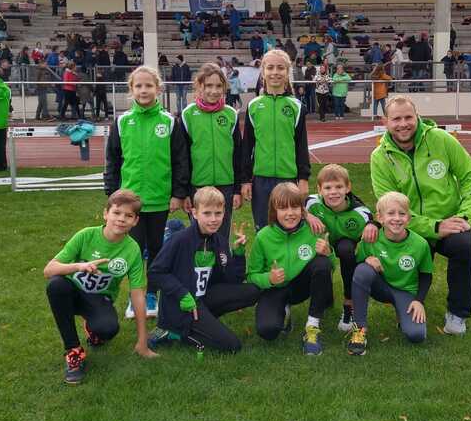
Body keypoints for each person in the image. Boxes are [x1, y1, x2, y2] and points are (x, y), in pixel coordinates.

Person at [370, 96, 471, 335]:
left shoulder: (441, 139)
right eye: (396, 119)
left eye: (408, 117)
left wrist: (465, 217)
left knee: (464, 244)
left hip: (449, 220)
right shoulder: (380, 157)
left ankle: (457, 313)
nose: (403, 124)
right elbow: (387, 206)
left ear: (417, 116)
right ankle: (406, 304)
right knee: (403, 254)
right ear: (385, 122)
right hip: (408, 227)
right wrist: (433, 227)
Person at [44, 189, 158, 384]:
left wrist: (142, 341)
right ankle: (74, 352)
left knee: (108, 329)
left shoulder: (132, 249)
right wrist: (79, 266)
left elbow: (138, 294)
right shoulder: (86, 235)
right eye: (116, 213)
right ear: (106, 214)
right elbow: (49, 269)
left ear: (135, 221)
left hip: (99, 299)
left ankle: (93, 328)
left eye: (128, 215)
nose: (121, 219)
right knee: (56, 286)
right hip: (72, 293)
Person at [104, 66, 189, 318]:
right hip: (130, 204)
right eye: (138, 86)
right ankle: (136, 294)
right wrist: (112, 193)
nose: (144, 90)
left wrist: (178, 193)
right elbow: (113, 159)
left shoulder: (169, 123)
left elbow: (180, 160)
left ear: (158, 89)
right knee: (132, 250)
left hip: (160, 200)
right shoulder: (122, 122)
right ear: (131, 90)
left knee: (155, 250)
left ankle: (152, 293)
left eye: (148, 85)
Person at [147, 187, 260, 353]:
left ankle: (203, 322)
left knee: (253, 291)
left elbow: (232, 281)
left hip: (202, 299)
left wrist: (238, 254)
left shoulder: (219, 242)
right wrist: (181, 294)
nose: (213, 219)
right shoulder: (180, 240)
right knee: (232, 346)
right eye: (207, 213)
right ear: (194, 213)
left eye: (218, 213)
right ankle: (173, 331)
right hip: (181, 306)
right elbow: (155, 273)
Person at [246, 182, 334, 355]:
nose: (290, 213)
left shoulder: (313, 229)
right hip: (275, 288)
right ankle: (283, 310)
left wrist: (328, 253)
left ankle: (312, 327)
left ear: (302, 210)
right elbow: (251, 275)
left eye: (295, 207)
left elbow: (331, 266)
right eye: (283, 208)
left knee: (322, 263)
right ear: (274, 211)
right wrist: (269, 279)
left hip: (301, 286)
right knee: (268, 331)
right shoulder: (263, 236)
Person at [346, 191, 434, 355]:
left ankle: (403, 314)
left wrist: (419, 301)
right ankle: (359, 330)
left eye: (402, 213)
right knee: (363, 270)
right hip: (381, 287)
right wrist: (366, 262)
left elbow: (426, 275)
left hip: (406, 291)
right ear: (380, 218)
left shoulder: (420, 244)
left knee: (417, 335)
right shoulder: (371, 238)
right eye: (391, 213)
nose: (397, 218)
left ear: (408, 218)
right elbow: (357, 272)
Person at [240, 50, 311, 230]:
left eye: (280, 68)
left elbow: (301, 145)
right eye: (270, 67)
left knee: (288, 227)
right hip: (261, 181)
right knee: (264, 229)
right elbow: (247, 145)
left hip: (288, 179)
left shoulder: (296, 107)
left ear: (287, 72)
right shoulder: (254, 106)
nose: (275, 72)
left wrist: (303, 178)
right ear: (263, 72)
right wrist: (246, 179)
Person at [304, 164, 377, 333]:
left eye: (339, 187)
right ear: (319, 189)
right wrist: (307, 215)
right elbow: (293, 205)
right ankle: (325, 296)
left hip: (346, 242)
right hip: (324, 240)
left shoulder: (360, 212)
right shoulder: (311, 202)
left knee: (346, 250)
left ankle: (349, 303)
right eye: (328, 187)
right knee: (319, 257)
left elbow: (375, 221)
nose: (333, 192)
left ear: (348, 188)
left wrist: (373, 225)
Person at [180, 63, 243, 240]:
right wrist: (184, 192)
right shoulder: (188, 115)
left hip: (226, 186)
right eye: (209, 85)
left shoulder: (231, 114)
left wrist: (237, 189)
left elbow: (237, 154)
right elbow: (182, 157)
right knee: (197, 236)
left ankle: (222, 267)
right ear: (200, 86)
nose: (214, 91)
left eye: (218, 86)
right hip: (197, 186)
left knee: (221, 237)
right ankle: (198, 268)